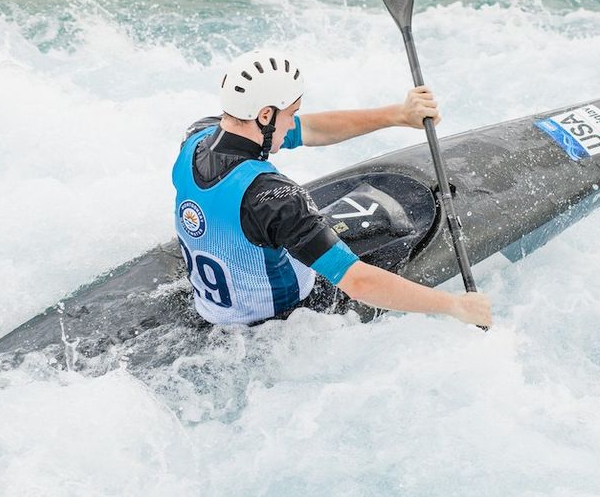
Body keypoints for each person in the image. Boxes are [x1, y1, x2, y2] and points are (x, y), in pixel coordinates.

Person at [172, 49, 492, 328]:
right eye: (290, 114)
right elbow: (358, 283)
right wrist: (455, 306)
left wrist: (398, 115)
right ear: (265, 114)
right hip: (281, 325)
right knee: (398, 237)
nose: (292, 123)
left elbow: (310, 129)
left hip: (214, 308)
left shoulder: (197, 137)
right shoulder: (273, 198)